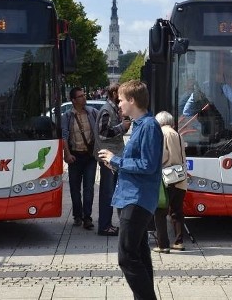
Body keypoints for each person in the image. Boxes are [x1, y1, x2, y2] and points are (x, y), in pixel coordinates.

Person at [98, 80, 163, 300]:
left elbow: (148, 165)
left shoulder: (149, 126)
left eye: (122, 100)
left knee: (126, 257)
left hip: (137, 199)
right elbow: (138, 162)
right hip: (131, 196)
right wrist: (115, 163)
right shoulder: (140, 125)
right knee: (140, 253)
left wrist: (116, 160)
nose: (119, 105)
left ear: (132, 100)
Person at [95, 83, 131, 236]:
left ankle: (107, 224)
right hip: (108, 158)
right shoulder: (106, 110)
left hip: (113, 156)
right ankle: (104, 226)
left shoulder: (113, 109)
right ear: (114, 93)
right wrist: (122, 127)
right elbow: (103, 133)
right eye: (121, 93)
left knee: (111, 192)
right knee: (107, 193)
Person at [62, 87, 100, 230]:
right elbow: (64, 136)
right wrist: (67, 154)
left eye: (84, 95)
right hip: (75, 157)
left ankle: (87, 218)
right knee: (74, 188)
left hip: (89, 156)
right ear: (73, 100)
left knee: (89, 188)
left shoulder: (92, 112)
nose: (84, 98)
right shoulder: (67, 116)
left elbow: (99, 131)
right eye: (80, 96)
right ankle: (77, 216)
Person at [152, 111, 187, 253]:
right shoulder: (177, 134)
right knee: (177, 211)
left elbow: (162, 156)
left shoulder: (161, 133)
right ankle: (179, 242)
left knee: (160, 212)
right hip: (180, 178)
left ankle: (163, 244)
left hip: (166, 178)